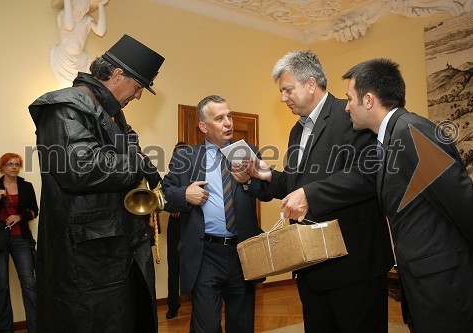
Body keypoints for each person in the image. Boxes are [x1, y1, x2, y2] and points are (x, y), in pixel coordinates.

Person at [242, 50, 394, 333]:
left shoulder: (352, 114)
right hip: (311, 264)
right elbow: (295, 185)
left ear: (310, 84)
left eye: (287, 90)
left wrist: (310, 195)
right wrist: (264, 176)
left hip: (353, 265)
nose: (282, 98)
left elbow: (368, 174)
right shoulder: (297, 131)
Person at [342, 58, 473, 333]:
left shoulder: (410, 131)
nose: (347, 106)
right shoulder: (392, 138)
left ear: (370, 100)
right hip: (427, 284)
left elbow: (463, 204)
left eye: (350, 98)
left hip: (448, 288)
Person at [29, 34, 165, 333]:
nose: (138, 95)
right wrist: (138, 162)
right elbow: (81, 167)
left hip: (116, 249)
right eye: (138, 87)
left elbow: (129, 151)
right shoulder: (65, 106)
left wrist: (135, 159)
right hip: (88, 262)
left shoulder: (113, 114)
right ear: (117, 75)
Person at [163, 95, 268, 333]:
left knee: (242, 325)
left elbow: (266, 191)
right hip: (205, 255)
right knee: (206, 327)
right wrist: (184, 195)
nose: (228, 122)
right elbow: (164, 195)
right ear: (203, 126)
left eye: (229, 116)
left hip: (243, 253)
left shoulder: (247, 151)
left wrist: (253, 179)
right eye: (220, 118)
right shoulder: (186, 158)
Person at [0, 153, 38, 333]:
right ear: (2, 167)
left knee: (29, 284)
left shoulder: (26, 186)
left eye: (17, 164)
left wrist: (20, 216)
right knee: (1, 286)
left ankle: (35, 327)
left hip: (20, 238)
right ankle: (5, 329)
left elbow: (34, 210)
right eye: (10, 164)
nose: (14, 167)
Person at [50, 0, 108, 87]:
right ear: (71, 6)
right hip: (64, 57)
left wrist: (101, 6)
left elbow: (101, 32)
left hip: (81, 60)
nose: (80, 13)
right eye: (78, 9)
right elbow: (69, 26)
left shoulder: (87, 19)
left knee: (83, 85)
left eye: (84, 10)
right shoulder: (63, 14)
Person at [165, 141, 188, 320]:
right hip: (175, 225)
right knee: (173, 266)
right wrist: (172, 205)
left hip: (192, 223)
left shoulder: (198, 175)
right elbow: (163, 199)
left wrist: (180, 203)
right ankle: (173, 305)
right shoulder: (169, 177)